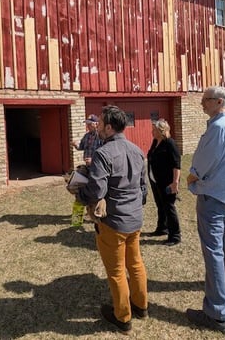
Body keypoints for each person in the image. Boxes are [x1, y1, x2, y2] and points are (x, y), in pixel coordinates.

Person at [78, 105, 149, 334]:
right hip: (135, 219)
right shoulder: (137, 150)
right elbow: (143, 188)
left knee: (117, 271)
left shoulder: (103, 153)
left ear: (109, 127)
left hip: (113, 222)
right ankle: (141, 306)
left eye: (99, 124)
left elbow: (97, 190)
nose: (97, 127)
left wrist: (79, 193)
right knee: (135, 264)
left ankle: (123, 317)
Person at [185, 86, 225, 336]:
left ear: (219, 102)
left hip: (213, 192)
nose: (201, 104)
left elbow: (201, 162)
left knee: (213, 249)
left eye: (205, 100)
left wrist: (191, 178)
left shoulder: (219, 127)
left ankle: (217, 313)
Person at [147, 118, 181, 246]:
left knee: (169, 207)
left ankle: (175, 235)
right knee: (160, 206)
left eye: (154, 130)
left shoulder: (170, 143)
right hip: (155, 180)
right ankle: (162, 228)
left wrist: (175, 182)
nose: (152, 132)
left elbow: (176, 165)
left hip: (168, 182)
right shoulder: (155, 142)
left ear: (161, 130)